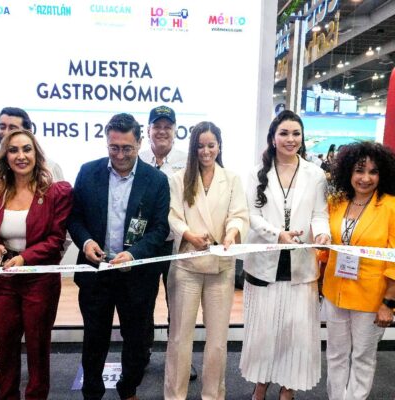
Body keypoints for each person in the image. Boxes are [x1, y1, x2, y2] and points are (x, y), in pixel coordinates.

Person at [67, 112, 170, 400]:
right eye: (114, 148)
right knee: (94, 338)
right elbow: (74, 217)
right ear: (107, 143)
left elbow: (160, 229)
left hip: (136, 276)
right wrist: (86, 242)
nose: (120, 155)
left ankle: (128, 389)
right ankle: (92, 392)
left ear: (139, 143)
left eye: (127, 148)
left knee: (136, 340)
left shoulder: (156, 180)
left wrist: (134, 254)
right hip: (96, 272)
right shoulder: (88, 172)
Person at [240, 110, 331, 400]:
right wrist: (277, 233)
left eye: (295, 133)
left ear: (302, 137)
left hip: (301, 267)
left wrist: (322, 234)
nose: (290, 139)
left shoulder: (315, 174)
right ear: (273, 138)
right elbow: (251, 216)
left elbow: (320, 214)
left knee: (295, 333)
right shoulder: (255, 173)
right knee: (263, 333)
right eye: (284, 133)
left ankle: (287, 388)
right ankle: (260, 386)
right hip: (263, 264)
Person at [164, 121, 249, 400]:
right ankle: (174, 395)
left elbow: (239, 214)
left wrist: (231, 233)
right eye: (200, 146)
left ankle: (213, 395)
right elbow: (173, 216)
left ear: (219, 146)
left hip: (221, 267)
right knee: (179, 337)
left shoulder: (232, 179)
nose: (206, 151)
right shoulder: (179, 179)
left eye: (211, 145)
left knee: (217, 341)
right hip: (187, 265)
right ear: (193, 148)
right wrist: (189, 234)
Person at [0, 129, 72, 400]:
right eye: (13, 150)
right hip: (3, 281)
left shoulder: (55, 192)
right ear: (6, 156)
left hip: (39, 281)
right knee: (5, 345)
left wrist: (25, 258)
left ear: (36, 154)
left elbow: (56, 240)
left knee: (38, 348)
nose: (21, 156)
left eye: (26, 149)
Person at [321, 142, 395, 400]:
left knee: (363, 357)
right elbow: (327, 246)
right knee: (335, 354)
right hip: (335, 291)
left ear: (382, 174)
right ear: (348, 172)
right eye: (359, 170)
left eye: (373, 172)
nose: (365, 178)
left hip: (371, 298)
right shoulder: (336, 202)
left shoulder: (391, 207)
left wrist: (389, 303)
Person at [140, 105, 198, 380]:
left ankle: (181, 358)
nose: (162, 131)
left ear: (175, 130)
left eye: (167, 126)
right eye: (157, 126)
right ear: (148, 130)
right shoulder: (137, 158)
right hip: (145, 244)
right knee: (142, 302)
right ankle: (141, 354)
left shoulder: (187, 161)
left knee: (179, 305)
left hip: (177, 244)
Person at [0, 107, 64, 181]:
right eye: (2, 127)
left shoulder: (50, 168)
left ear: (28, 132)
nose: (6, 132)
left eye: (12, 128)